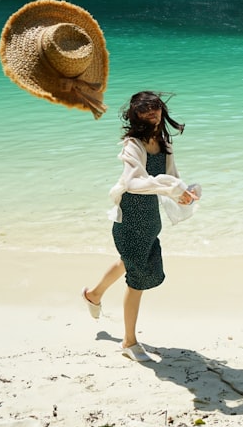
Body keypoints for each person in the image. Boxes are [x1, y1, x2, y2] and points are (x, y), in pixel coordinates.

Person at [82, 91, 197, 362]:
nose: (151, 113)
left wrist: (186, 192)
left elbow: (172, 179)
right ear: (135, 115)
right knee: (136, 280)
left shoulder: (164, 142)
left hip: (151, 219)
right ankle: (129, 342)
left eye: (155, 108)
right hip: (130, 217)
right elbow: (133, 182)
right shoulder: (132, 144)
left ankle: (93, 294)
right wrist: (171, 188)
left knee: (128, 262)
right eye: (145, 110)